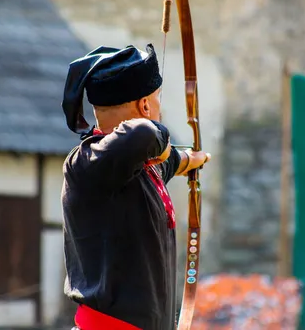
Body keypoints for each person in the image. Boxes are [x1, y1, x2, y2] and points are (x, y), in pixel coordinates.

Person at [60, 43, 211, 330]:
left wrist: (192, 159)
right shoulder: (87, 164)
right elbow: (143, 133)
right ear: (144, 105)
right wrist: (159, 137)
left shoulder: (137, 167)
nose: (158, 107)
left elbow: (167, 161)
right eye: (156, 99)